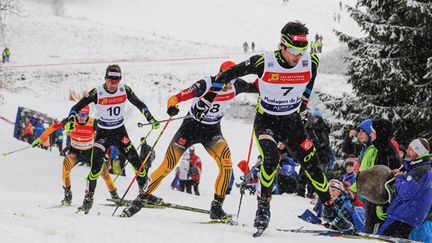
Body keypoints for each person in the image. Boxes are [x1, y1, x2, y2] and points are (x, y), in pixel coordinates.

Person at [196, 21, 332, 231]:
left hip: (292, 122)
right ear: (282, 46)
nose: (298, 55)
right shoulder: (263, 62)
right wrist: (207, 100)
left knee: (312, 164)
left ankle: (332, 208)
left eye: (303, 49)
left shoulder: (310, 61)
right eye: (294, 50)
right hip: (267, 121)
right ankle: (263, 208)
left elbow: (310, 81)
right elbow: (226, 75)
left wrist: (303, 104)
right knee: (270, 159)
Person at [122, 60, 258, 220]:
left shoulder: (237, 84)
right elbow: (176, 97)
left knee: (226, 164)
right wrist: (172, 106)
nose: (228, 84)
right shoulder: (205, 84)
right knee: (167, 166)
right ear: (219, 74)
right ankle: (140, 200)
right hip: (190, 128)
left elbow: (258, 86)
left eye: (231, 80)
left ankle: (217, 208)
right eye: (225, 79)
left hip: (212, 131)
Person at [66, 64, 160, 214]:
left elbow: (139, 104)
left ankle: (144, 193)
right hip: (103, 134)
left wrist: (150, 118)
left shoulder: (125, 90)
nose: (114, 82)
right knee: (95, 169)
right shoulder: (97, 92)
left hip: (119, 132)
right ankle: (88, 200)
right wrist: (71, 119)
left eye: (117, 78)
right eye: (111, 78)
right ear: (105, 78)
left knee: (138, 165)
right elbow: (75, 108)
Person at [31, 106, 120, 205]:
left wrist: (106, 153)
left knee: (104, 173)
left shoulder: (94, 122)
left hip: (90, 152)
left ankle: (114, 195)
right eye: (80, 114)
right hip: (75, 152)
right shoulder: (70, 121)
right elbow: (53, 127)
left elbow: (106, 136)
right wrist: (40, 139)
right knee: (65, 167)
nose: (82, 117)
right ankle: (67, 195)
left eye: (85, 115)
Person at [349, 119, 401, 233]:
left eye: (372, 132)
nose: (371, 134)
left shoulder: (387, 151)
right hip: (373, 198)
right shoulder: (379, 148)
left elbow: (387, 181)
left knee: (375, 234)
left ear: (379, 133)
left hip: (379, 201)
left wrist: (381, 205)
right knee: (369, 231)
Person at [378, 138, 432, 239]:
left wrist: (398, 178)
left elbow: (405, 192)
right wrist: (403, 176)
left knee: (381, 238)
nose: (407, 151)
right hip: (409, 216)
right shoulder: (421, 168)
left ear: (418, 152)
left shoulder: (421, 171)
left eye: (410, 149)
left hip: (404, 215)